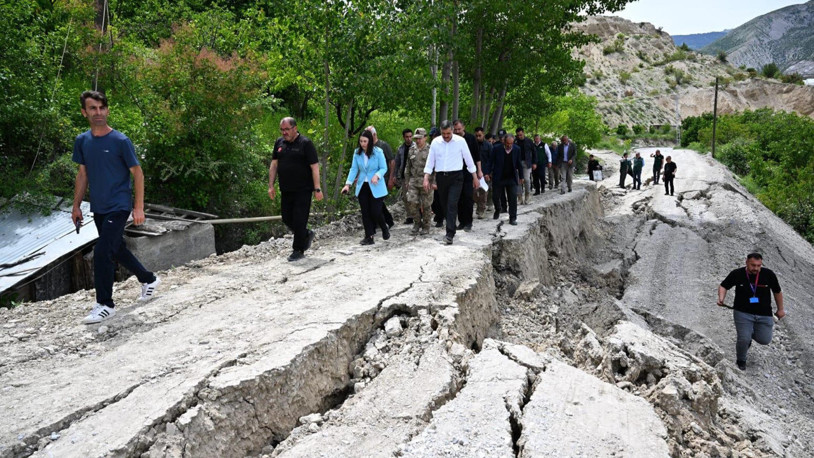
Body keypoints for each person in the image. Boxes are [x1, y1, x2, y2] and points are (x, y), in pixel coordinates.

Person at [71, 90, 161, 324]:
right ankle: (149, 279)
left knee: (102, 251)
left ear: (107, 110)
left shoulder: (120, 141)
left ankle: (105, 304)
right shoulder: (82, 141)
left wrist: (137, 207)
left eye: (102, 108)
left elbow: (138, 174)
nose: (98, 112)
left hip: (119, 206)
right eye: (93, 108)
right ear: (84, 112)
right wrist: (76, 206)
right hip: (98, 207)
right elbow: (82, 174)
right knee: (116, 248)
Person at [717, 253, 785, 370]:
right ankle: (741, 361)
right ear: (746, 262)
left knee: (765, 339)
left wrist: (781, 309)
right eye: (753, 265)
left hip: (764, 314)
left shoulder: (769, 275)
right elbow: (723, 286)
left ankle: (748, 335)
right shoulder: (737, 274)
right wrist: (721, 298)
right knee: (743, 338)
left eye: (759, 265)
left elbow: (777, 292)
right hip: (743, 312)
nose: (756, 268)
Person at [269, 117, 324, 261]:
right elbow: (274, 165)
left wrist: (317, 188)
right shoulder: (279, 143)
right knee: (287, 218)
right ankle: (305, 234)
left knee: (299, 219)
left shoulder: (305, 144)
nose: (284, 132)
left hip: (303, 189)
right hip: (286, 189)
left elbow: (314, 167)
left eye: (287, 129)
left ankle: (298, 249)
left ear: (295, 128)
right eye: (282, 130)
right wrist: (271, 185)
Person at [423, 120, 479, 245]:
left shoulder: (460, 141)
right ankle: (450, 228)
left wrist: (475, 177)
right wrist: (426, 177)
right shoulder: (435, 142)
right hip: (441, 177)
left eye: (448, 133)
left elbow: (469, 160)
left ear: (452, 130)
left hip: (456, 177)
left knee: (452, 204)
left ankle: (450, 234)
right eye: (444, 133)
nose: (446, 136)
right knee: (444, 205)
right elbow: (430, 161)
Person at [342, 130, 390, 245]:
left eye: (365, 141)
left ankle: (384, 227)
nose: (363, 144)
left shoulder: (378, 152)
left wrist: (377, 176)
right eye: (361, 141)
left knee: (376, 211)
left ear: (370, 141)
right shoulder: (357, 153)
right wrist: (347, 184)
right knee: (365, 212)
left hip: (376, 185)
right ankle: (369, 236)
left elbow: (384, 168)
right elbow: (353, 169)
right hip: (362, 185)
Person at [483, 134, 522, 225]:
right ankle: (498, 208)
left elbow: (519, 163)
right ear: (504, 141)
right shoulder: (496, 149)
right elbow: (490, 161)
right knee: (495, 196)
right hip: (499, 177)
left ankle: (512, 218)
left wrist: (521, 177)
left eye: (511, 143)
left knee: (512, 198)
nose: (509, 145)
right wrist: (487, 173)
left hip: (511, 177)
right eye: (508, 143)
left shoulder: (517, 149)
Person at [404, 128, 434, 235]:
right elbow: (408, 166)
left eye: (420, 138)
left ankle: (426, 226)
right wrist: (407, 180)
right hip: (413, 180)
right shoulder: (412, 149)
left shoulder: (431, 150)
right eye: (416, 139)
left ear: (425, 138)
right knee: (411, 202)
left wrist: (433, 182)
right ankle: (417, 223)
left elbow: (435, 167)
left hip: (426, 181)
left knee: (426, 205)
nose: (418, 141)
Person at [453, 120, 482, 231]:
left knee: (468, 197)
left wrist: (479, 171)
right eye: (455, 130)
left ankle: (469, 222)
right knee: (458, 198)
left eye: (459, 129)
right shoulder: (452, 139)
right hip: (456, 172)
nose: (457, 131)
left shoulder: (471, 138)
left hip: (469, 171)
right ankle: (461, 222)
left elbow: (477, 156)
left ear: (463, 127)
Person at [366, 126, 395, 228]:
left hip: (382, 178)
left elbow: (391, 161)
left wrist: (391, 178)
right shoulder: (366, 147)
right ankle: (382, 221)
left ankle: (386, 221)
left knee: (378, 201)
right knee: (374, 201)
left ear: (374, 135)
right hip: (369, 179)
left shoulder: (383, 146)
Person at [395, 128, 414, 224]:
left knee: (415, 197)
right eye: (407, 137)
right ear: (404, 137)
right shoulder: (400, 149)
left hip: (414, 176)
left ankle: (418, 215)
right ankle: (409, 216)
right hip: (404, 176)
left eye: (410, 136)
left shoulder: (416, 147)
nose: (409, 139)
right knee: (406, 197)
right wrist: (395, 175)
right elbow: (397, 163)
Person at [515, 128, 537, 204]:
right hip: (517, 163)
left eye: (520, 135)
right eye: (518, 135)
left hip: (527, 162)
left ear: (523, 133)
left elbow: (534, 152)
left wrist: (534, 163)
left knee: (527, 179)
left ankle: (527, 196)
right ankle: (519, 197)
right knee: (518, 180)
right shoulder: (515, 141)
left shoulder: (529, 141)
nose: (519, 136)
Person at [474, 127, 492, 218]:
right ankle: (478, 205)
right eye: (476, 136)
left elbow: (491, 160)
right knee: (473, 192)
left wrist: (488, 173)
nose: (478, 137)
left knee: (483, 192)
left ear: (483, 134)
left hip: (485, 172)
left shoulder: (488, 145)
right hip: (474, 172)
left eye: (480, 135)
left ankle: (481, 209)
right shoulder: (473, 145)